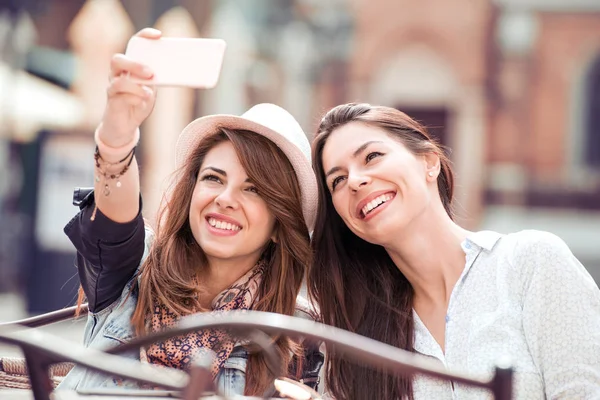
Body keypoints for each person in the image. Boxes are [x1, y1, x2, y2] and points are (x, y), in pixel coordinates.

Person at [58, 28, 323, 397]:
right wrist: (118, 138)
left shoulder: (296, 332)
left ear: (281, 224)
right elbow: (114, 222)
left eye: (254, 189)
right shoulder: (135, 271)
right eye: (214, 178)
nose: (226, 198)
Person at [308, 102, 600, 399]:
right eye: (338, 180)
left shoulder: (531, 263)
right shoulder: (351, 336)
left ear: (430, 162)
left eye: (372, 156)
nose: (355, 181)